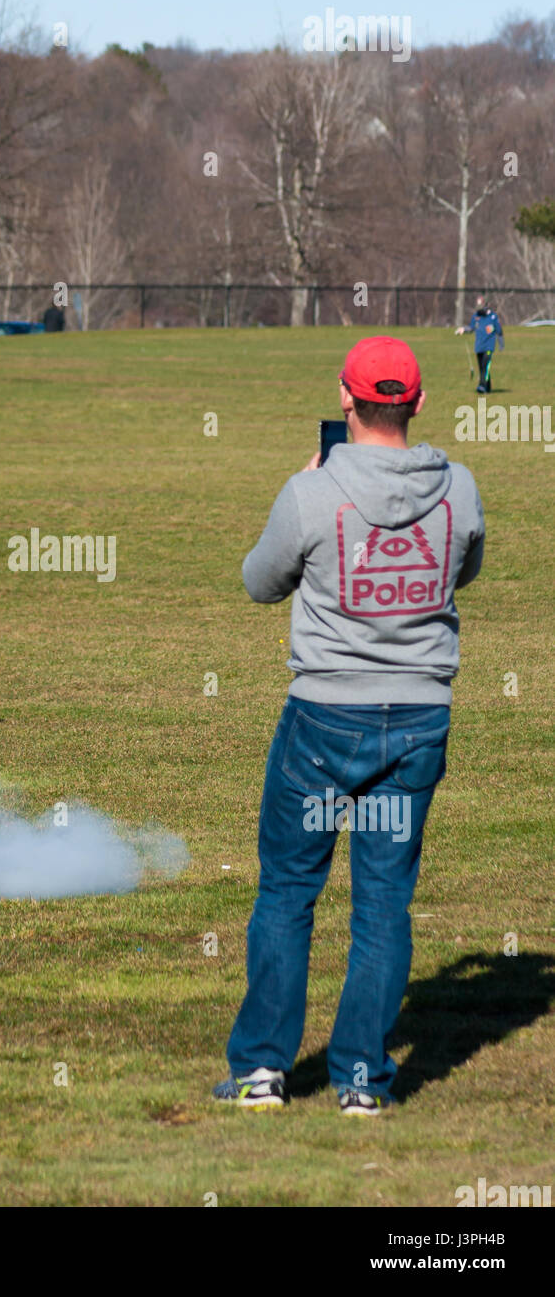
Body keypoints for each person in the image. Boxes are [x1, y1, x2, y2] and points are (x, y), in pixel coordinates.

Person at [215, 336, 485, 1115]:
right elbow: (463, 565)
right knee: (382, 904)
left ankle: (264, 1070)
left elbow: (259, 582)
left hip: (325, 721)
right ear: (420, 402)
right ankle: (361, 1079)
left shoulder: (314, 493)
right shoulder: (458, 486)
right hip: (419, 719)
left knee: (289, 892)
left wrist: (300, 490)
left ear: (345, 398)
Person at [455, 294, 503, 394]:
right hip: (479, 346)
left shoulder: (493, 317)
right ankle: (488, 387)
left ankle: (482, 386)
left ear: (487, 305)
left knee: (486, 366)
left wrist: (501, 345)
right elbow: (471, 328)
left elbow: (499, 331)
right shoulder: (476, 316)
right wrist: (463, 329)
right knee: (482, 368)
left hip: (489, 347)